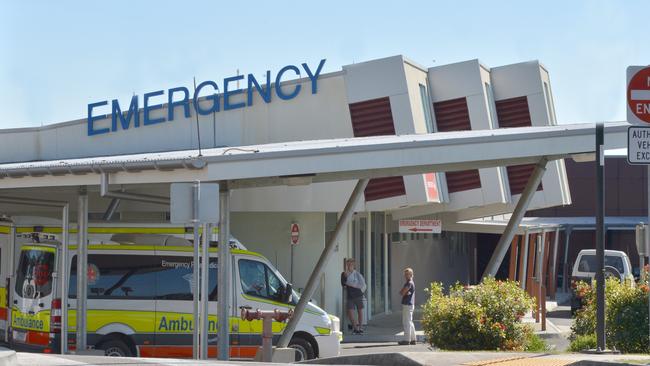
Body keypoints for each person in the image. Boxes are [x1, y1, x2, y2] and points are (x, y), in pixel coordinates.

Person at [341, 258, 366, 334]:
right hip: (350, 296)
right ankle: (355, 328)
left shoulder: (357, 274)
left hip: (358, 295)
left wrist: (351, 283)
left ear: (353, 265)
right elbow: (343, 284)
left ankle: (360, 327)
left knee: (360, 311)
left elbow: (362, 284)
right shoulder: (344, 274)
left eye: (351, 264)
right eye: (348, 264)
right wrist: (350, 281)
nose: (349, 266)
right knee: (350, 312)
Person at [398, 267, 416, 345]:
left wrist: (403, 292)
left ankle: (406, 340)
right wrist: (403, 292)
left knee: (406, 322)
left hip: (407, 304)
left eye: (407, 274)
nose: (405, 276)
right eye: (405, 274)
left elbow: (402, 292)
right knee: (410, 322)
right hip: (410, 304)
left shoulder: (409, 283)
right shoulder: (411, 283)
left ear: (411, 274)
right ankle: (413, 339)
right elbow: (403, 292)